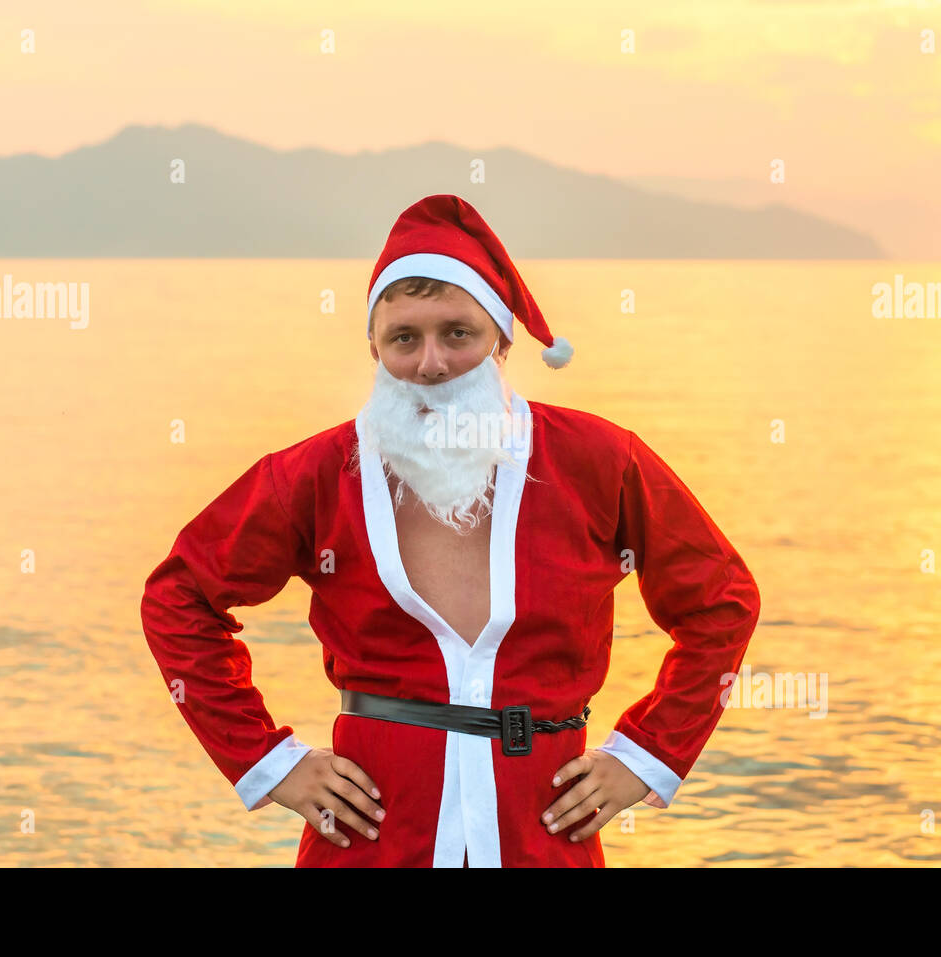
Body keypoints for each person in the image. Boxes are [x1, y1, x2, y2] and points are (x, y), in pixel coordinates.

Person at [140, 194, 761, 867]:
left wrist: (645, 755)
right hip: (369, 844)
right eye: (404, 337)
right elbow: (180, 596)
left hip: (543, 838)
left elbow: (720, 600)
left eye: (457, 333)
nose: (431, 363)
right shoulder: (315, 474)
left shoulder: (599, 460)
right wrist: (269, 761)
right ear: (373, 345)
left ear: (501, 337)